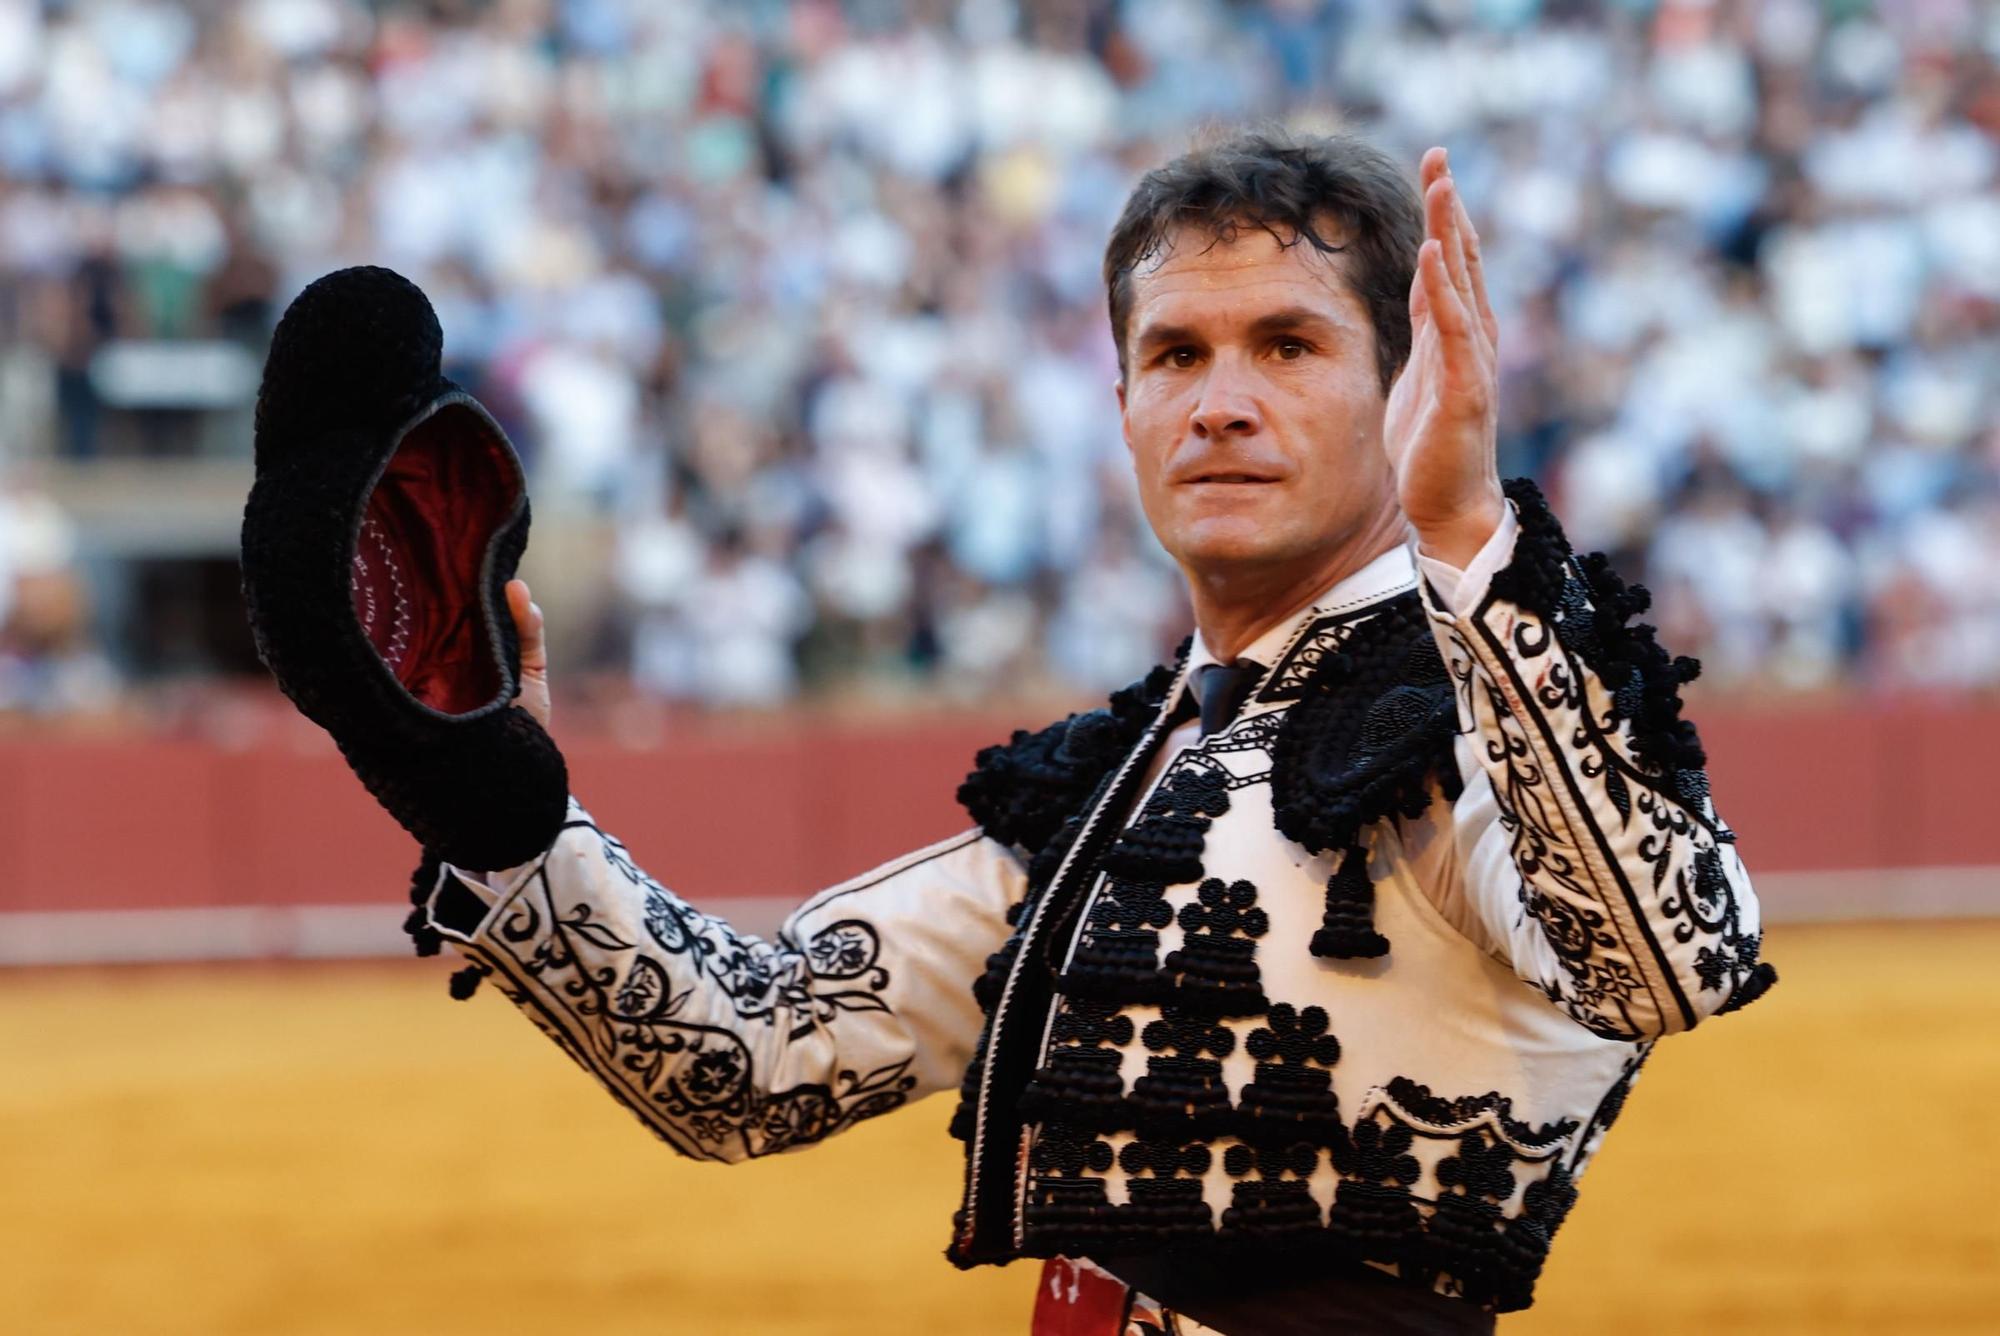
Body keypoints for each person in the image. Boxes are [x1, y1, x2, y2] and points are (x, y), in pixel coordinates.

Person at [407, 129, 1775, 1334]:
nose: (1218, 401)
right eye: (1174, 354)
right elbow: (747, 1060)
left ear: (1408, 389)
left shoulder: (1482, 713)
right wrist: (502, 810)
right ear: (1122, 409)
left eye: (1289, 346)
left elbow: (1672, 963)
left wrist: (1472, 534)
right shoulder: (1128, 776)